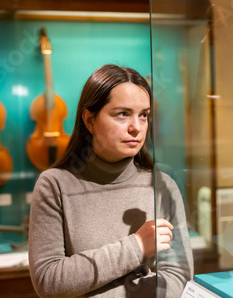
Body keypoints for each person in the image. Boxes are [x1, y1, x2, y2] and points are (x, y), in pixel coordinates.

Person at [28, 64, 194, 298]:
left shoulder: (163, 185)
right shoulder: (54, 185)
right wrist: (136, 247)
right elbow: (49, 280)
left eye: (143, 115)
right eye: (123, 114)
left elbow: (179, 276)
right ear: (89, 120)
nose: (136, 127)